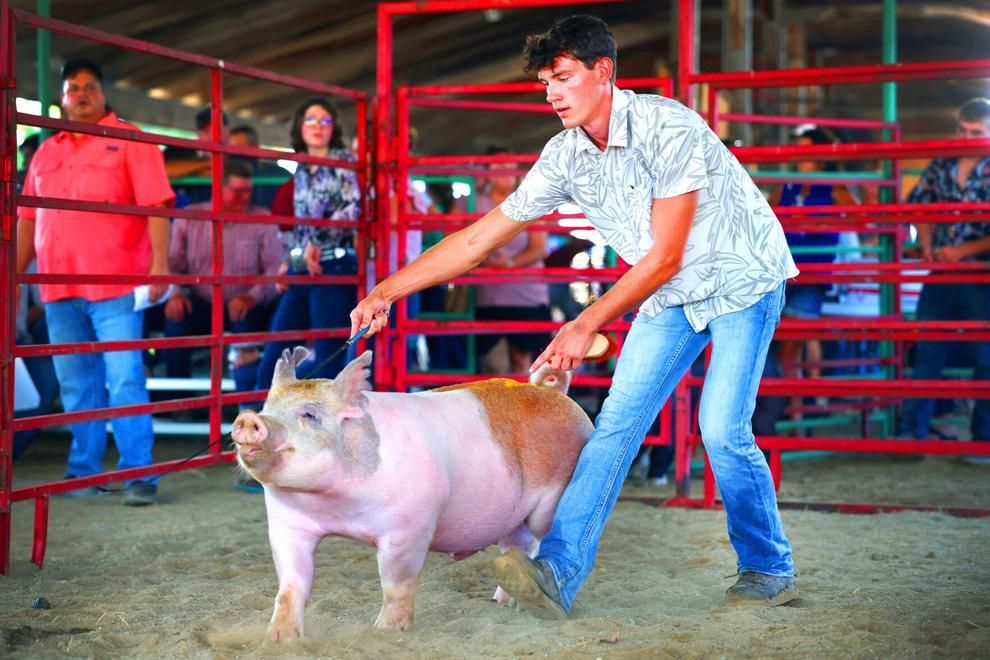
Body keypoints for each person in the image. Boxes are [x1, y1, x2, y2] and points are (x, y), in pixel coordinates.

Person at [351, 15, 799, 613]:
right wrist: (387, 289)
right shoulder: (563, 156)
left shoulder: (669, 126)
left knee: (722, 430)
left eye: (562, 77)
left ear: (603, 70)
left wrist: (585, 321)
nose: (552, 93)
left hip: (741, 278)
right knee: (613, 429)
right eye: (545, 83)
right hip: (668, 295)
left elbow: (665, 255)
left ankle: (766, 566)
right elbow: (479, 237)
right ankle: (557, 573)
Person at [16, 58, 174, 505]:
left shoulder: (130, 141)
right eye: (72, 88)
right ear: (62, 99)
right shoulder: (46, 151)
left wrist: (160, 264)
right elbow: (29, 217)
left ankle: (139, 476)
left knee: (124, 377)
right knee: (75, 383)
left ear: (102, 94)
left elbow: (157, 206)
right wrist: (16, 275)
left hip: (115, 283)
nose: (81, 93)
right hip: (57, 286)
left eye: (89, 86)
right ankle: (81, 473)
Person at [895, 97, 990, 464]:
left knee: (986, 356)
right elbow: (921, 207)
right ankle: (912, 434)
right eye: (962, 131)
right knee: (927, 351)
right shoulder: (940, 163)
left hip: (982, 274)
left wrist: (962, 252)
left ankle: (983, 440)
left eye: (976, 133)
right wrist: (930, 245)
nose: (967, 137)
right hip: (942, 272)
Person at [254, 97, 362, 390]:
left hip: (335, 264)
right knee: (278, 350)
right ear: (300, 128)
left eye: (324, 120)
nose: (317, 126)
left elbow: (353, 209)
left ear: (333, 128)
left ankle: (321, 426)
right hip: (304, 266)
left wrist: (317, 239)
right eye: (310, 120)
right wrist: (290, 259)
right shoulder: (301, 169)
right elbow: (300, 225)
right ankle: (256, 420)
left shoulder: (344, 161)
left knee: (329, 356)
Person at [163, 159, 284, 395]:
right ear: (219, 189)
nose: (245, 197)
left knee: (247, 321)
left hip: (245, 304)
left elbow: (274, 266)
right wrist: (175, 294)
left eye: (248, 191)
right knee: (175, 318)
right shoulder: (188, 217)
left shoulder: (261, 217)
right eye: (238, 191)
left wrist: (252, 297)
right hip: (201, 301)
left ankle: (250, 397)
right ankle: (177, 401)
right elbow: (172, 264)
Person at [770, 126, 858, 423]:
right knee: (794, 341)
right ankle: (800, 409)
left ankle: (799, 408)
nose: (800, 156)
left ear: (820, 155)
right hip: (784, 272)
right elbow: (765, 215)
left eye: (806, 149)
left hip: (813, 274)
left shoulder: (834, 187)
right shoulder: (786, 186)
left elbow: (865, 218)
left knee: (794, 341)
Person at [474, 146, 551, 373]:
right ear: (486, 171)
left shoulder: (530, 199)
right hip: (489, 297)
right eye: (499, 165)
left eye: (510, 164)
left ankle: (521, 410)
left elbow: (539, 248)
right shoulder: (473, 202)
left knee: (523, 364)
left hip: (527, 297)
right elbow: (451, 236)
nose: (506, 170)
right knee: (492, 366)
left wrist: (507, 264)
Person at [229, 124, 292, 209]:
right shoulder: (225, 175)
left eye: (238, 148)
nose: (233, 154)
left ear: (255, 147)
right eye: (230, 149)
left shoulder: (280, 174)